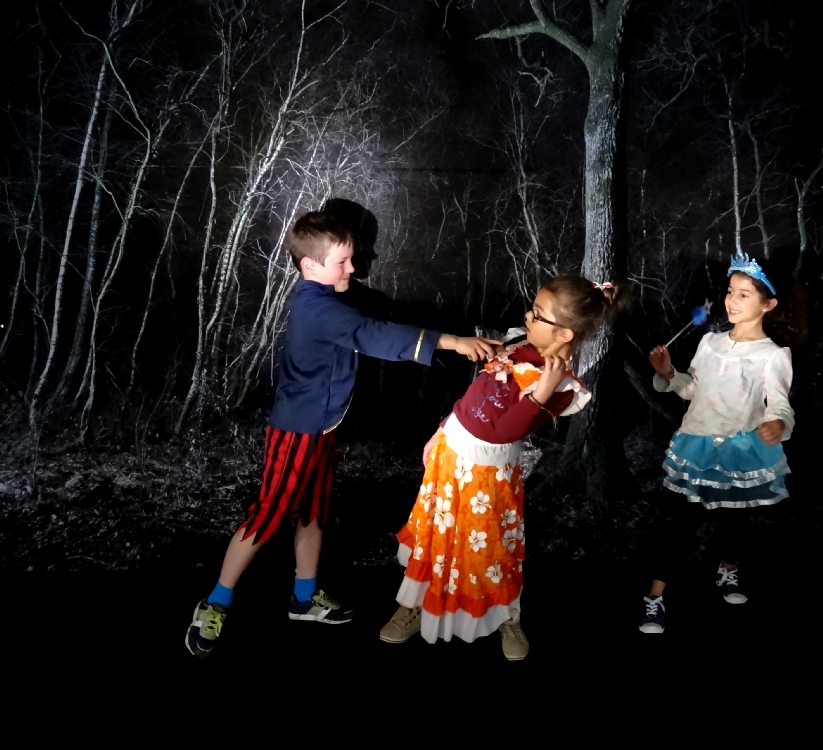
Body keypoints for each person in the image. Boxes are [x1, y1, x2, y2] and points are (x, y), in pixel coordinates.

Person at [185, 211, 500, 658]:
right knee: (267, 516)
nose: (352, 269)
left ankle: (303, 597)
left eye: (352, 259)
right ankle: (215, 601)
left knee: (314, 514)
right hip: (297, 430)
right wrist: (451, 341)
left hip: (322, 428)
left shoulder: (331, 294)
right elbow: (373, 334)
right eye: (343, 262)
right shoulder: (318, 308)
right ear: (310, 266)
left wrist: (465, 332)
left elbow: (381, 313)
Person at [378, 276, 619, 660]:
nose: (527, 316)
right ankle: (412, 606)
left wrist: (542, 390)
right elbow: (475, 397)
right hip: (450, 458)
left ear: (565, 334)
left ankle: (505, 616)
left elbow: (505, 431)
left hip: (487, 478)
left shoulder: (561, 386)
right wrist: (441, 431)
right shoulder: (516, 344)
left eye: (538, 315)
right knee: (436, 539)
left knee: (489, 550)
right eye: (532, 308)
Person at [639, 250, 795, 633]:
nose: (731, 300)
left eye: (744, 294)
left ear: (768, 303)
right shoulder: (709, 343)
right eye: (730, 291)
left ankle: (728, 571)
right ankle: (655, 598)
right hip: (699, 446)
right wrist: (668, 373)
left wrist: (778, 423)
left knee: (735, 521)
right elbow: (691, 389)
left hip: (741, 450)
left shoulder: (773, 356)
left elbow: (780, 404)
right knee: (677, 523)